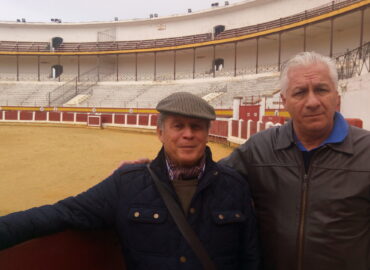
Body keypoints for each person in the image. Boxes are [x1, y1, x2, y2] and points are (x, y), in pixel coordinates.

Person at [0, 92, 259, 270]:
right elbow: (64, 212)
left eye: (196, 126)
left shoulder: (234, 185)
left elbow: (251, 258)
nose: (188, 135)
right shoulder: (127, 183)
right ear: (160, 132)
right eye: (178, 126)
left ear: (207, 133)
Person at [220, 51, 370, 270]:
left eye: (321, 90)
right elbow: (210, 179)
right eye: (300, 92)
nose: (312, 102)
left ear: (337, 97)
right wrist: (152, 173)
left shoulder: (367, 151)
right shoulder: (259, 148)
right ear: (284, 102)